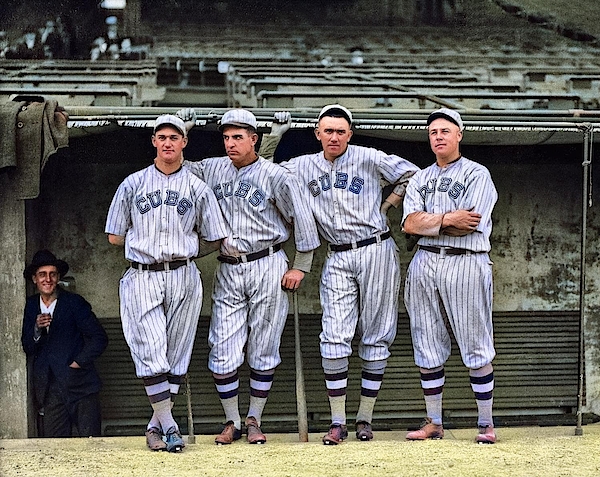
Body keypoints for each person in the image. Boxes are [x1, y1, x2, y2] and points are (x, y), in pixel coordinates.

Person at [277, 104, 420, 445]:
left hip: (375, 247)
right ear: (317, 134)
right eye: (328, 131)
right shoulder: (300, 166)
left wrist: (389, 203)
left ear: (349, 134)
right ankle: (338, 421)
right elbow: (264, 171)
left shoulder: (369, 157)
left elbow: (414, 173)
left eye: (341, 131)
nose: (335, 137)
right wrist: (275, 135)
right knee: (335, 336)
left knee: (376, 333)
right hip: (337, 253)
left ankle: (365, 419)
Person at [178, 108, 320, 445]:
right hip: (228, 265)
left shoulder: (277, 175)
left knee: (264, 345)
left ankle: (254, 417)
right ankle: (232, 421)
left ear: (254, 139)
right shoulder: (213, 168)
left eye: (238, 137)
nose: (230, 143)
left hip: (268, 263)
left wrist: (301, 264)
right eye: (226, 137)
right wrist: (183, 129)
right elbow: (174, 167)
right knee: (222, 347)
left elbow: (303, 220)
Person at [105, 114, 228, 452]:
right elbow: (115, 236)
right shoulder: (132, 184)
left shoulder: (197, 187)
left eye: (175, 137)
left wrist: (183, 250)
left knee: (176, 355)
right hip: (142, 274)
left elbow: (215, 237)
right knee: (150, 350)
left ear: (184, 142)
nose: (168, 142)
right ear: (154, 142)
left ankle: (154, 427)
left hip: (183, 274)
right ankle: (171, 425)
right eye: (162, 137)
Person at [401, 108, 498, 444]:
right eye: (432, 132)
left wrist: (430, 222)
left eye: (445, 130)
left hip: (467, 261)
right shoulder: (420, 177)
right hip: (425, 262)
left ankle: (485, 423)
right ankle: (434, 422)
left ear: (459, 134)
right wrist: (447, 219)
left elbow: (470, 224)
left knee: (475, 342)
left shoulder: (477, 174)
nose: (438, 136)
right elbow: (408, 224)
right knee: (426, 342)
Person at [21, 250, 108, 438]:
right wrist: (36, 329)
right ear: (35, 279)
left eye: (52, 274)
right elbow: (28, 346)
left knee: (91, 445)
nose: (48, 279)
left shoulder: (74, 303)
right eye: (42, 274)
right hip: (50, 390)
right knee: (54, 448)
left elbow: (99, 338)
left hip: (81, 387)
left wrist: (77, 362)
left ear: (58, 277)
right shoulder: (30, 305)